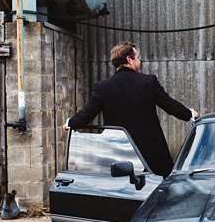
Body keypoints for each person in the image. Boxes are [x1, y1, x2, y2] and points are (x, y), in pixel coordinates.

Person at [67, 42, 198, 178]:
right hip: (151, 153)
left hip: (119, 154)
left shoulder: (102, 87)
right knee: (158, 192)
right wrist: (190, 114)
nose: (140, 62)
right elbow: (169, 105)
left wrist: (70, 123)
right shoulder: (148, 81)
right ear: (129, 60)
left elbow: (86, 115)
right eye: (138, 58)